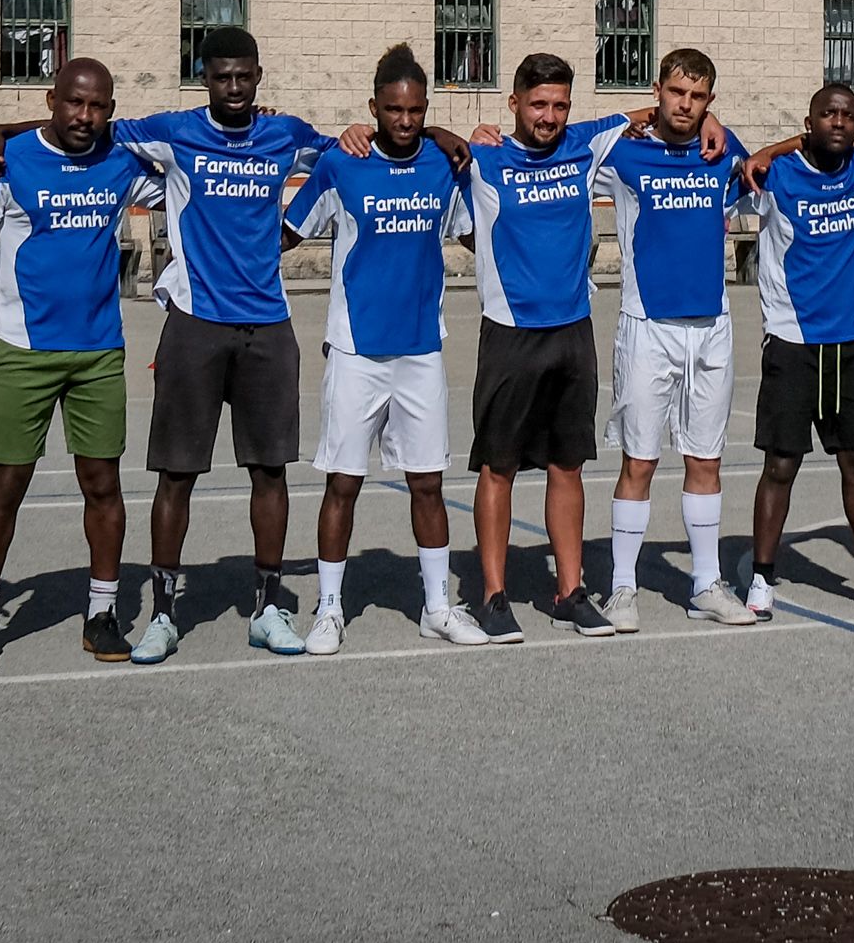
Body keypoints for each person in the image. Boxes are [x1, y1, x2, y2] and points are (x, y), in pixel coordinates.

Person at [81, 23, 334, 659]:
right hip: (194, 324)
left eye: (244, 76)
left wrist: (441, 135)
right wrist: (3, 134)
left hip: (268, 325)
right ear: (205, 79)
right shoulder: (173, 131)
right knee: (177, 474)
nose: (234, 87)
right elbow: (84, 129)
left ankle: (269, 606)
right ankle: (163, 612)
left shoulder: (285, 135)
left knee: (270, 470)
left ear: (259, 77)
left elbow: (355, 153)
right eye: (222, 77)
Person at [286, 45, 491, 652]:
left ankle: (436, 606)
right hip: (355, 349)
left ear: (426, 111)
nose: (405, 121)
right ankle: (328, 608)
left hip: (421, 350)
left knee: (428, 483)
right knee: (342, 484)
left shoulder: (442, 164)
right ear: (373, 107)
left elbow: (480, 237)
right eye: (394, 109)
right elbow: (285, 233)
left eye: (416, 110)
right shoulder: (341, 163)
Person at [0, 56, 154, 666]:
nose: (84, 116)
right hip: (23, 349)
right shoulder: (8, 162)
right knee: (5, 485)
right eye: (74, 102)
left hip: (98, 351)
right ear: (51, 99)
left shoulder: (123, 162)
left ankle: (101, 611)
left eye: (97, 107)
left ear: (111, 112)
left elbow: (193, 157)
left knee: (103, 484)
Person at [597, 46, 758, 629]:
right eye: (675, 93)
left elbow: (761, 166)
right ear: (658, 91)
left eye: (697, 97)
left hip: (711, 328)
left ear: (710, 101)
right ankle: (621, 587)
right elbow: (569, 140)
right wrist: (640, 114)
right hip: (647, 329)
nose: (685, 105)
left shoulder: (722, 153)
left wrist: (720, 127)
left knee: (705, 460)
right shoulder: (622, 155)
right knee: (638, 461)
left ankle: (706, 583)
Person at [457, 51, 614, 638]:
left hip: (573, 331)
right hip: (509, 334)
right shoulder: (484, 158)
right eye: (539, 104)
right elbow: (416, 136)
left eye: (560, 105)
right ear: (514, 103)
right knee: (499, 468)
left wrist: (712, 124)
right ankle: (494, 596)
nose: (549, 116)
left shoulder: (585, 146)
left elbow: (660, 114)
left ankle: (570, 591)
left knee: (567, 464)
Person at [745, 81, 854, 611]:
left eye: (848, 115)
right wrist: (769, 149)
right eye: (827, 114)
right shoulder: (775, 175)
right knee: (781, 465)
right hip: (792, 342)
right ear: (808, 124)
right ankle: (762, 577)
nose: (838, 121)